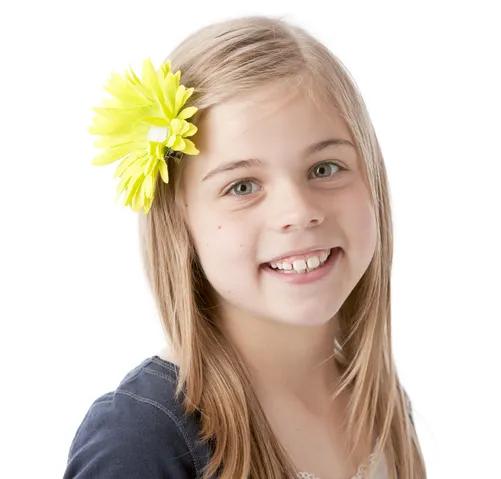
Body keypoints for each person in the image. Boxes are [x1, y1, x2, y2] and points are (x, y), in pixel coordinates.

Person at [64, 14, 427, 479]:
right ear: (180, 222)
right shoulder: (143, 438)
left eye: (324, 168)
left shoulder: (380, 406)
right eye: (242, 187)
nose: (297, 211)